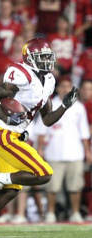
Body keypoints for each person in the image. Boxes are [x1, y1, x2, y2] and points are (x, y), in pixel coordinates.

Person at [0, 38, 78, 238]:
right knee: (43, 173)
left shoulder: (49, 80)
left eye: (48, 57)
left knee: (13, 189)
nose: (47, 61)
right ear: (29, 58)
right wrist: (7, 117)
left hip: (14, 136)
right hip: (5, 135)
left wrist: (64, 106)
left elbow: (47, 119)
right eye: (42, 57)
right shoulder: (20, 73)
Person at [36, 78, 91, 223]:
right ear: (58, 88)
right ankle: (50, 213)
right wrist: (40, 149)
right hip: (54, 152)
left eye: (68, 86)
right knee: (52, 187)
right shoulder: (49, 104)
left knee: (75, 186)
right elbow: (41, 131)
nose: (66, 89)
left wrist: (87, 151)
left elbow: (84, 132)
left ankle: (75, 212)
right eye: (63, 86)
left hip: (75, 153)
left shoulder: (78, 107)